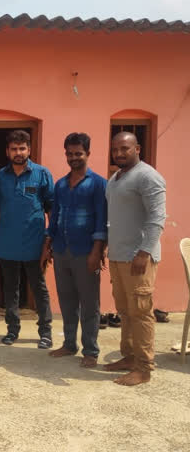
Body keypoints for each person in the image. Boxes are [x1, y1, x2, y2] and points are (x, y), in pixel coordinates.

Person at [104, 131, 166, 386]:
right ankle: (128, 357)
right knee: (125, 312)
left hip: (139, 258)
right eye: (115, 149)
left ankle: (143, 368)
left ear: (137, 148)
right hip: (118, 257)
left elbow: (157, 217)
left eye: (125, 148)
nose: (119, 153)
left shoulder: (148, 176)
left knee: (141, 313)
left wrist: (144, 251)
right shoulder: (116, 178)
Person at [41, 133, 107, 368]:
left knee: (90, 303)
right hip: (61, 250)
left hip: (86, 252)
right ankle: (69, 344)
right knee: (67, 301)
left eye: (78, 153)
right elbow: (55, 217)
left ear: (88, 154)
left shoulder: (98, 184)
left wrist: (97, 252)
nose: (73, 158)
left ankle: (91, 350)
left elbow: (102, 220)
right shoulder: (60, 184)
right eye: (69, 154)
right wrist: (47, 246)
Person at [0, 130, 54, 349]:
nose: (18, 153)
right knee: (11, 288)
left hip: (35, 243)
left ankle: (45, 332)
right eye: (14, 149)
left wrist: (50, 239)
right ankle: (12, 330)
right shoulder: (1, 176)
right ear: (8, 151)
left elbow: (50, 209)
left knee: (38, 288)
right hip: (7, 242)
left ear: (29, 149)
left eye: (22, 148)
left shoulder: (42, 174)